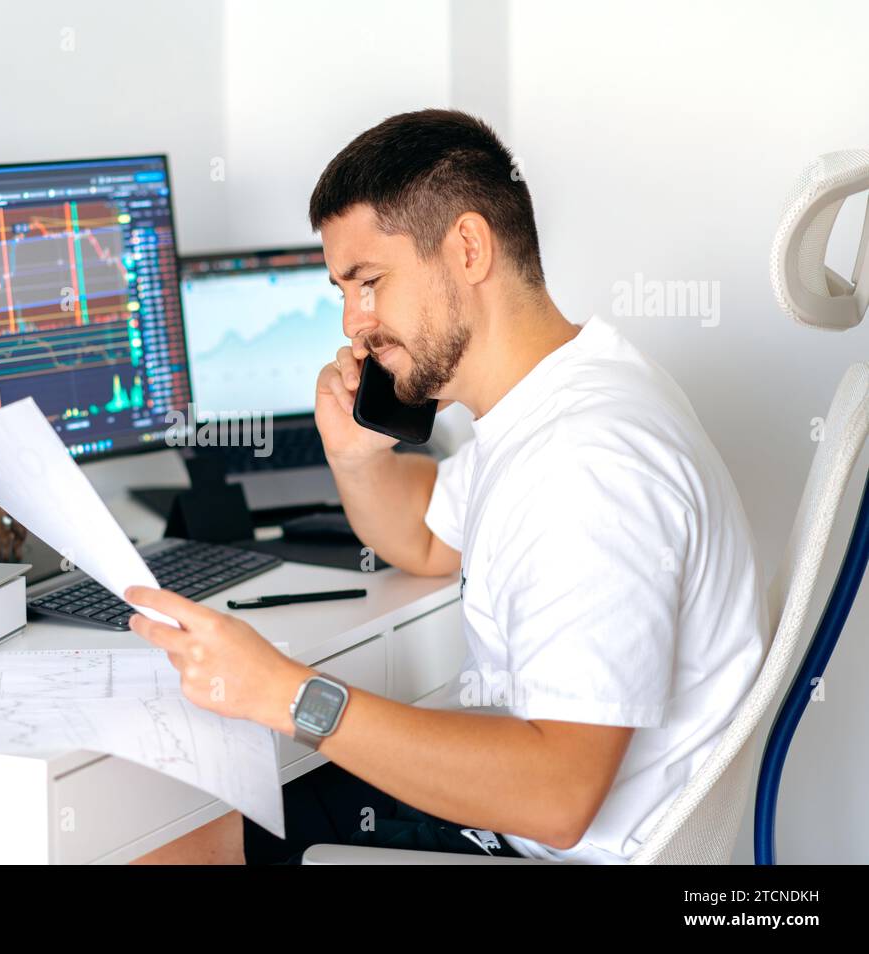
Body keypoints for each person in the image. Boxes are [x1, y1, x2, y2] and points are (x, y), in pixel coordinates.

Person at [127, 109, 768, 865]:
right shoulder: (558, 398)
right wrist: (357, 458)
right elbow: (426, 539)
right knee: (197, 832)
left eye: (369, 283)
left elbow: (558, 797)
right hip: (525, 813)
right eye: (342, 292)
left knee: (170, 845)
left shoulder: (586, 464)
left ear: (468, 247)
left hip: (548, 841)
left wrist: (283, 693)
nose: (353, 323)